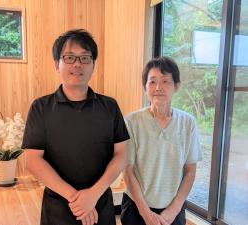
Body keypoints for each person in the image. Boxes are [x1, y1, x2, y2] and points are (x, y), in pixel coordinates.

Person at [22, 29, 130, 225]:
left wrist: (93, 195)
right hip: (58, 207)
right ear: (57, 63)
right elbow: (32, 160)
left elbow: (122, 154)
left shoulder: (110, 106)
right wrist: (77, 199)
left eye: (85, 58)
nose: (77, 64)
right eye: (69, 57)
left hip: (100, 204)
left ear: (93, 64)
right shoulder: (41, 107)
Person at [121, 56, 202, 225]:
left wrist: (175, 208)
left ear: (176, 86)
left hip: (173, 208)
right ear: (145, 88)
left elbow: (190, 170)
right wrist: (146, 213)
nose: (158, 88)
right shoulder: (131, 122)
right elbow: (127, 171)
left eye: (165, 81)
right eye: (152, 82)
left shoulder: (188, 123)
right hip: (136, 207)